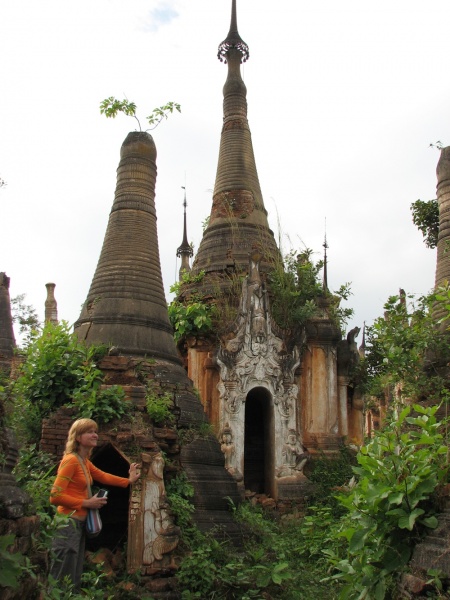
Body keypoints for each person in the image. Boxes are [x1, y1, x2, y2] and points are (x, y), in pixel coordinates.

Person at [49, 418, 140, 591]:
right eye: (89, 432)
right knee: (63, 569)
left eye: (95, 431)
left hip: (78, 523)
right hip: (67, 522)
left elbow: (103, 476)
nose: (95, 435)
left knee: (74, 570)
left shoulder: (84, 461)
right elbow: (55, 496)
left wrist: (128, 481)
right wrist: (86, 502)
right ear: (78, 437)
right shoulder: (71, 461)